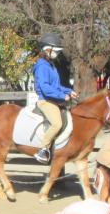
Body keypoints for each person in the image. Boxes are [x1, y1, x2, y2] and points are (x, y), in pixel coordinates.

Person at [32, 32, 78, 164]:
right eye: (55, 51)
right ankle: (42, 149)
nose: (57, 54)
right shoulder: (41, 66)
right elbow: (45, 88)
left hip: (54, 99)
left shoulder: (51, 66)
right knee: (57, 123)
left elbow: (56, 86)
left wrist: (69, 91)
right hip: (46, 101)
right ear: (47, 49)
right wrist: (62, 96)